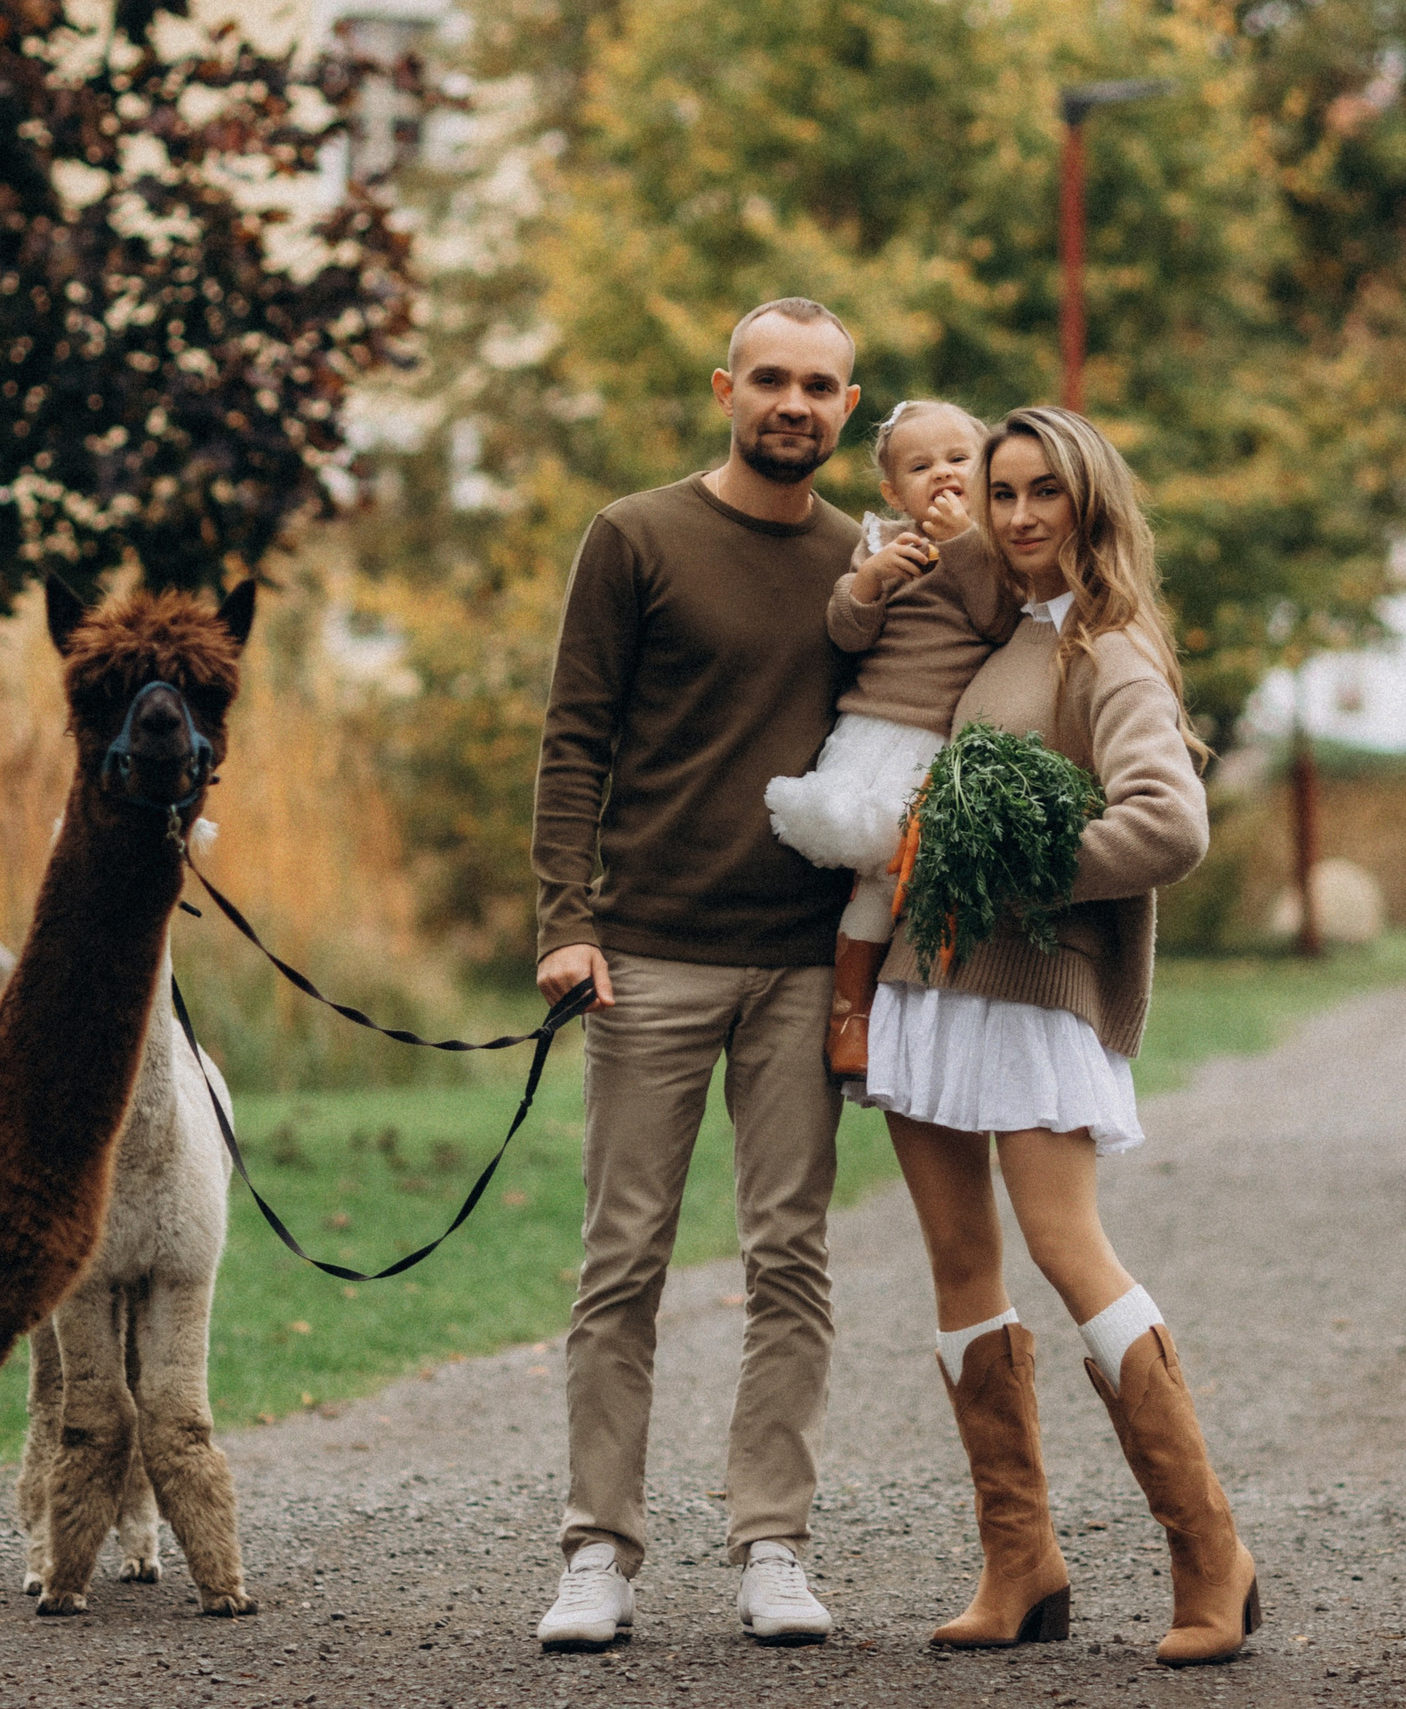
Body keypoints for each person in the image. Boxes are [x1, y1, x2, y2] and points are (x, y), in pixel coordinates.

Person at [848, 405, 1255, 1666]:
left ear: (1089, 504)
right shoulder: (998, 625)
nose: (1018, 515)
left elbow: (1168, 826)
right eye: (1004, 489)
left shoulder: (1107, 647)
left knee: (1070, 1250)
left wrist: (1015, 871)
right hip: (929, 987)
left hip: (1029, 993)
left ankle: (1209, 1552)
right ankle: (1019, 1560)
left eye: (1043, 494)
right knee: (960, 1269)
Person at [528, 297, 860, 1651]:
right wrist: (566, 915)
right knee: (624, 1260)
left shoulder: (867, 565)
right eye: (770, 378)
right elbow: (573, 739)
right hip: (648, 954)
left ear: (849, 406)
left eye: (821, 385)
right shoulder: (636, 536)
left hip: (802, 964)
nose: (793, 402)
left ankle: (771, 1542)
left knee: (792, 1256)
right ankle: (598, 1548)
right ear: (727, 387)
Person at [762, 398, 1012, 1078]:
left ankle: (931, 1023)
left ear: (987, 467)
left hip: (940, 742)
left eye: (959, 458)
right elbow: (847, 632)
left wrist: (963, 542)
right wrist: (868, 580)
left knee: (920, 884)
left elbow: (995, 619)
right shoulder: (878, 541)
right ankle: (851, 1014)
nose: (942, 474)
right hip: (874, 730)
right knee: (871, 880)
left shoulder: (993, 545)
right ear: (892, 490)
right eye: (920, 465)